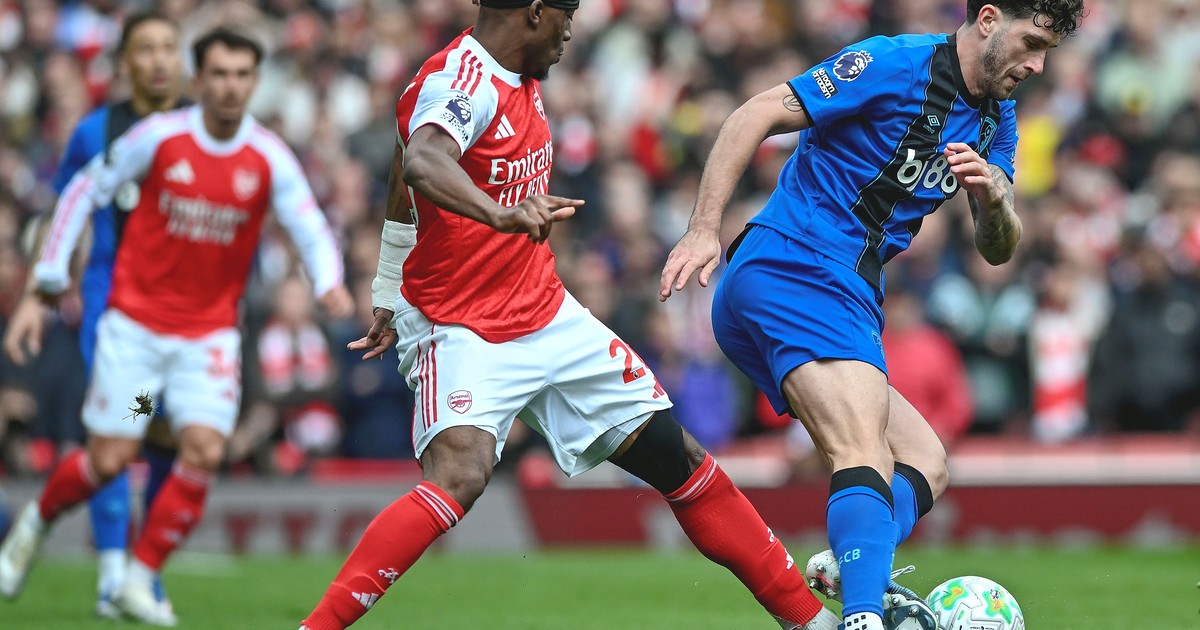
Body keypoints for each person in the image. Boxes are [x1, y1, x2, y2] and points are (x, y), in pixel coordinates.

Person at [300, 2, 837, 629]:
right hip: (460, 323)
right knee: (460, 474)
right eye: (566, 13)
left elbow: (402, 171)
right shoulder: (462, 81)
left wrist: (387, 279)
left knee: (679, 456)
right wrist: (493, 218)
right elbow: (420, 160)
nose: (571, 28)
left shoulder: (519, 75)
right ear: (534, 12)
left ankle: (812, 623)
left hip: (546, 311)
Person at [660, 2, 1084, 630]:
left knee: (927, 464)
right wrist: (702, 228)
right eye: (1031, 43)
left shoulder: (998, 123)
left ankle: (855, 561)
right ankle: (863, 615)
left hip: (839, 287)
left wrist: (997, 201)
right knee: (861, 452)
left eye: (1047, 51)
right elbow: (755, 113)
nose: (1037, 65)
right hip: (796, 263)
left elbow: (998, 250)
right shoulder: (895, 62)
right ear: (989, 19)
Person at [0, 26, 354, 626]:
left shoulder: (268, 155)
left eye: (242, 75)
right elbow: (82, 191)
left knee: (204, 448)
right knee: (111, 458)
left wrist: (328, 280)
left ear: (255, 81)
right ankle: (37, 522)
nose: (230, 87)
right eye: (219, 74)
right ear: (200, 80)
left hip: (206, 341)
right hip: (136, 337)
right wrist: (51, 275)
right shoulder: (159, 138)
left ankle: (140, 578)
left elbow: (308, 221)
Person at [2, 12, 185, 618]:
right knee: (121, 431)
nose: (158, 60)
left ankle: (142, 568)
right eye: (145, 49)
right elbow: (64, 215)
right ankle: (113, 572)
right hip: (114, 311)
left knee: (171, 435)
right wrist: (38, 295)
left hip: (186, 318)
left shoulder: (202, 128)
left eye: (168, 47)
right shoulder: (94, 132)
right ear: (124, 62)